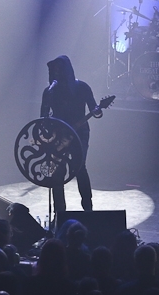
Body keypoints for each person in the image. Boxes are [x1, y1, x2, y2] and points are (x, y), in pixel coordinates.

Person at [40, 55, 102, 214]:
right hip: (58, 134)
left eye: (59, 69)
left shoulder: (82, 87)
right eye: (54, 70)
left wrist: (97, 111)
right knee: (57, 172)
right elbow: (43, 116)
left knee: (79, 168)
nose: (56, 73)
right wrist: (48, 133)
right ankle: (59, 212)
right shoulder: (49, 91)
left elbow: (94, 109)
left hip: (79, 133)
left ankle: (88, 210)